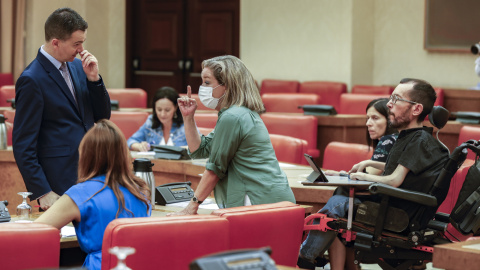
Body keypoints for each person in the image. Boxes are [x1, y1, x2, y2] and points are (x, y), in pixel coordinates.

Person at [298, 78, 450, 270]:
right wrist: (369, 163)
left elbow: (394, 180)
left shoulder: (418, 140)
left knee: (338, 204)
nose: (389, 104)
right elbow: (398, 169)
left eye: (396, 99)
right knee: (342, 194)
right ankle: (310, 255)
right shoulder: (413, 137)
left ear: (416, 109)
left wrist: (363, 176)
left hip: (397, 216)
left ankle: (305, 256)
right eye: (390, 98)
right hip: (393, 208)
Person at [169, 55, 295, 215]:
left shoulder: (233, 117)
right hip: (270, 199)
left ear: (227, 85)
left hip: (260, 199)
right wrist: (188, 117)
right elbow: (200, 150)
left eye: (207, 82)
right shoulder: (236, 113)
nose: (202, 88)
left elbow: (214, 169)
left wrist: (191, 207)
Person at [13, 8, 111, 210]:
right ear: (55, 43)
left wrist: (94, 80)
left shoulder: (78, 67)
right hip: (58, 183)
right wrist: (42, 191)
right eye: (76, 44)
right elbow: (23, 145)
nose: (81, 49)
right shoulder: (31, 79)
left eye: (82, 42)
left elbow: (102, 117)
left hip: (92, 173)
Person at [35, 119, 151, 270]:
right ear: (124, 154)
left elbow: (33, 232)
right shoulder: (140, 190)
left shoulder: (80, 194)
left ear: (85, 155)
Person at [324, 98, 398, 270]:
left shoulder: (388, 140)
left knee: (332, 222)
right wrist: (344, 174)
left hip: (382, 208)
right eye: (367, 118)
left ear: (390, 120)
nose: (368, 123)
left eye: (375, 118)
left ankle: (309, 255)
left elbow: (368, 178)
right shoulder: (395, 139)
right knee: (341, 217)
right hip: (387, 203)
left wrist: (345, 176)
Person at [128, 86, 187, 151]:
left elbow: (198, 148)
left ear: (175, 108)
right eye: (159, 110)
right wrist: (140, 146)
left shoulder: (187, 123)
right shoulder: (150, 121)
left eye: (167, 110)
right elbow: (130, 141)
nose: (163, 114)